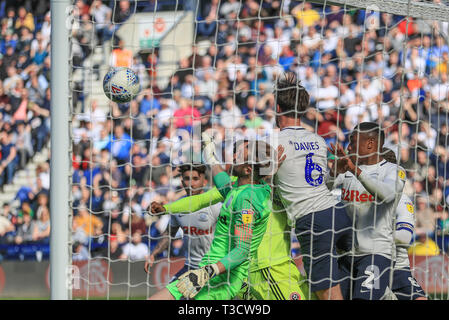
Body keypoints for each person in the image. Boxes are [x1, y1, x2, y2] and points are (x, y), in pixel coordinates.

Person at [149, 141, 312, 300]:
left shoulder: (251, 198)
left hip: (242, 273)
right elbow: (201, 198)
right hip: (222, 269)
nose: (234, 156)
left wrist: (208, 272)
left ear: (249, 168)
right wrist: (167, 208)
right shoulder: (235, 188)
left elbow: (242, 249)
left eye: (240, 154)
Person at [267, 72, 353, 300]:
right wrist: (336, 171)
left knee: (325, 293)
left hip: (313, 221)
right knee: (352, 282)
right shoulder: (318, 139)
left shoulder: (273, 142)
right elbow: (320, 180)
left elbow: (259, 187)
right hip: (338, 213)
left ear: (277, 108)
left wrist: (270, 171)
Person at [328, 122, 406, 300]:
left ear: (370, 143)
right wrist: (334, 172)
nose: (349, 147)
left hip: (375, 254)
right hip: (345, 255)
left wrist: (355, 170)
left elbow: (387, 194)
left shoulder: (393, 170)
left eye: (353, 142)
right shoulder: (347, 170)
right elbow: (321, 190)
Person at [144, 164, 221, 283]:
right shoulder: (178, 207)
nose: (191, 183)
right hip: (190, 266)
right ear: (182, 182)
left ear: (204, 182)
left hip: (213, 268)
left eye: (195, 179)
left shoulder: (215, 206)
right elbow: (169, 234)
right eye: (187, 179)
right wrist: (154, 254)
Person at [382, 148, 427, 300]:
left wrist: (375, 236)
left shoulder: (401, 200)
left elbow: (405, 236)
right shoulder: (360, 194)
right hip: (363, 262)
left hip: (397, 266)